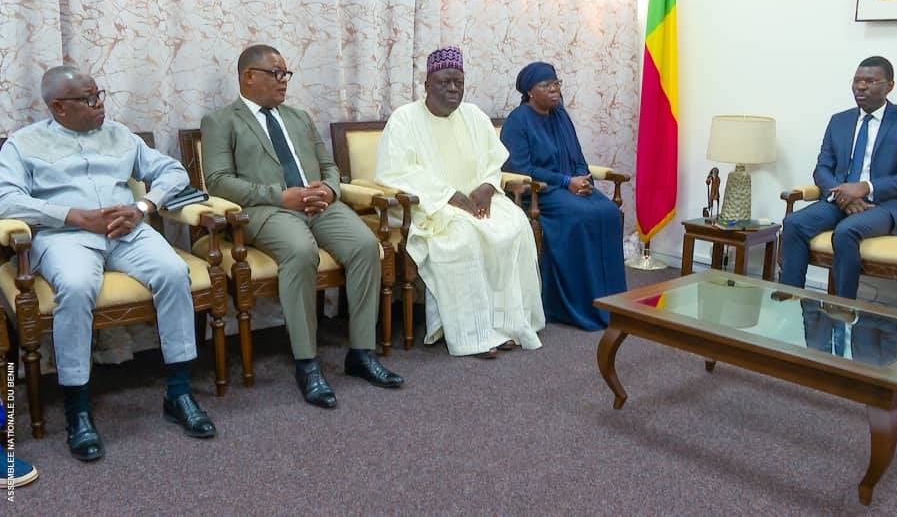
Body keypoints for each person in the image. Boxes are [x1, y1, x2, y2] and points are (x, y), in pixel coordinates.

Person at [0, 66, 216, 462]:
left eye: (99, 94)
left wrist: (142, 206)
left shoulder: (120, 134)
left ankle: (179, 392)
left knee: (172, 272)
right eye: (89, 99)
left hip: (127, 229)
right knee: (78, 287)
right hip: (67, 236)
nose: (99, 104)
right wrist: (74, 215)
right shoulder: (23, 144)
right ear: (59, 108)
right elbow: (6, 200)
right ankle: (77, 409)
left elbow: (173, 172)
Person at [201, 44, 403, 408]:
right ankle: (307, 362)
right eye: (276, 74)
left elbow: (329, 167)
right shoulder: (221, 121)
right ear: (249, 77)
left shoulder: (298, 117)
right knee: (300, 251)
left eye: (286, 74)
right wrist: (280, 196)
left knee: (364, 245)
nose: (284, 82)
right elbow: (217, 181)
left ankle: (360, 353)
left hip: (319, 204)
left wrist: (327, 188)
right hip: (267, 209)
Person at [375, 46, 545, 358]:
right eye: (444, 82)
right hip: (428, 207)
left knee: (515, 225)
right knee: (462, 237)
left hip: (477, 201)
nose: (453, 89)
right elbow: (394, 172)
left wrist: (487, 187)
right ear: (427, 85)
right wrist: (448, 195)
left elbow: (494, 162)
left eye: (459, 83)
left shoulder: (474, 115)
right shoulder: (404, 119)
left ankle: (506, 325)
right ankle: (474, 334)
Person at [779, 56, 897, 299]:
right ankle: (788, 300)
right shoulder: (840, 120)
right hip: (841, 199)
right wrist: (844, 194)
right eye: (857, 81)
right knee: (794, 223)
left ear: (889, 85)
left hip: (887, 205)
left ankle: (843, 308)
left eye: (870, 81)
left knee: (846, 231)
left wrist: (863, 187)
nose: (861, 87)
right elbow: (822, 169)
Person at [500, 62, 626, 330]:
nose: (554, 90)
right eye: (547, 86)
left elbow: (578, 157)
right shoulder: (517, 121)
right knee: (584, 215)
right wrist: (566, 181)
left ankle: (615, 303)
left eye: (556, 83)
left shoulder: (560, 115)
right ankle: (578, 305)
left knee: (609, 212)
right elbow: (520, 168)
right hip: (542, 192)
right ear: (530, 92)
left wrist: (583, 180)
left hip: (571, 187)